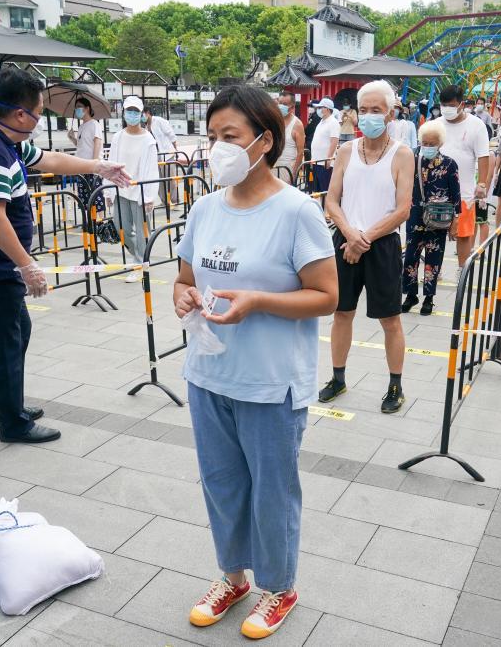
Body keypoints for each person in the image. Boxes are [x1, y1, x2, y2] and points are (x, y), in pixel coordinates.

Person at [174, 85, 337, 640]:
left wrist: (259, 301)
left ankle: (279, 587)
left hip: (270, 383)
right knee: (221, 485)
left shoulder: (297, 212)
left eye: (230, 136)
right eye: (212, 137)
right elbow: (184, 279)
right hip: (208, 374)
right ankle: (233, 578)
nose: (218, 148)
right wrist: (183, 296)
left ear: (264, 141)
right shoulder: (204, 209)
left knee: (272, 492)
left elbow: (327, 296)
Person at [0, 67, 130, 443]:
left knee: (16, 333)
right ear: (20, 114)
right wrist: (27, 265)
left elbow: (49, 160)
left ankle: (5, 404)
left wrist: (98, 166)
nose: (38, 120)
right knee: (5, 341)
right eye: (37, 113)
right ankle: (12, 422)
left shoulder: (7, 142)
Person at [320, 80, 414, 414]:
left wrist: (364, 239)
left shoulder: (402, 154)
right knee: (341, 313)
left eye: (377, 109)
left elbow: (402, 209)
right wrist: (350, 234)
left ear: (390, 114)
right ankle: (338, 378)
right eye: (364, 109)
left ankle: (395, 386)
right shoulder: (346, 151)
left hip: (382, 244)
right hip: (346, 241)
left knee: (390, 319)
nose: (369, 115)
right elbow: (332, 200)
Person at [402, 120, 460, 315]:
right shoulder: (411, 158)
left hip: (438, 218)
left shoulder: (449, 164)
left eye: (431, 144)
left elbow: (456, 194)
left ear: (440, 143)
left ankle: (429, 297)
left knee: (434, 258)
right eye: (424, 143)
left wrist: (455, 220)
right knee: (411, 256)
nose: (427, 147)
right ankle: (410, 294)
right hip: (415, 215)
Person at [437, 85, 490, 270]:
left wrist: (482, 183)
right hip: (437, 191)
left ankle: (462, 271)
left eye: (451, 105)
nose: (446, 109)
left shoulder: (476, 125)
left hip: (464, 192)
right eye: (443, 105)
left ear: (461, 104)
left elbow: (483, 156)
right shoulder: (436, 124)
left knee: (464, 233)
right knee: (435, 233)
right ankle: (434, 271)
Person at [109, 96, 160, 282]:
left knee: (141, 231)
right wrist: (107, 190)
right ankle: (139, 256)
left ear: (141, 114)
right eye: (129, 111)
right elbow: (110, 163)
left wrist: (149, 196)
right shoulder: (118, 137)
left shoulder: (148, 139)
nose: (132, 114)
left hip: (139, 191)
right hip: (120, 189)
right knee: (120, 227)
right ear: (123, 113)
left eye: (136, 111)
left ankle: (140, 264)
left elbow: (152, 169)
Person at [68, 96, 104, 212]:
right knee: (84, 198)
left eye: (79, 107)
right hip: (81, 166)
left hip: (92, 167)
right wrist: (72, 138)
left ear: (87, 108)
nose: (77, 110)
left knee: (96, 198)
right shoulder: (81, 127)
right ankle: (89, 220)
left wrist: (94, 163)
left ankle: (99, 221)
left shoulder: (94, 124)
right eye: (76, 107)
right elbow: (81, 145)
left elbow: (97, 142)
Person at [309, 97, 340, 192]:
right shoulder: (321, 122)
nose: (318, 110)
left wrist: (328, 159)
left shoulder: (333, 122)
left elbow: (334, 141)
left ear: (327, 109)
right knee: (317, 190)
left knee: (325, 189)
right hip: (316, 161)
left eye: (320, 107)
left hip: (324, 163)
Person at [275, 91, 305, 185]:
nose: (281, 106)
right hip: (273, 166)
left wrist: (294, 173)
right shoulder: (275, 120)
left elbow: (300, 152)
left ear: (292, 107)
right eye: (280, 103)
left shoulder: (297, 124)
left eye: (284, 104)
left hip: (288, 168)